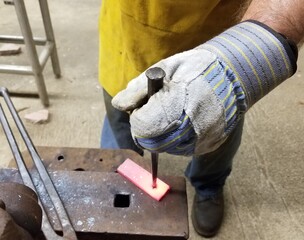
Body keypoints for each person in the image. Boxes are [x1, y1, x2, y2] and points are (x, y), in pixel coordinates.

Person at [98, 0, 303, 237]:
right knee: (121, 113)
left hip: (214, 30)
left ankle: (208, 184)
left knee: (214, 120)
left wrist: (249, 50)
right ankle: (121, 171)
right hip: (127, 31)